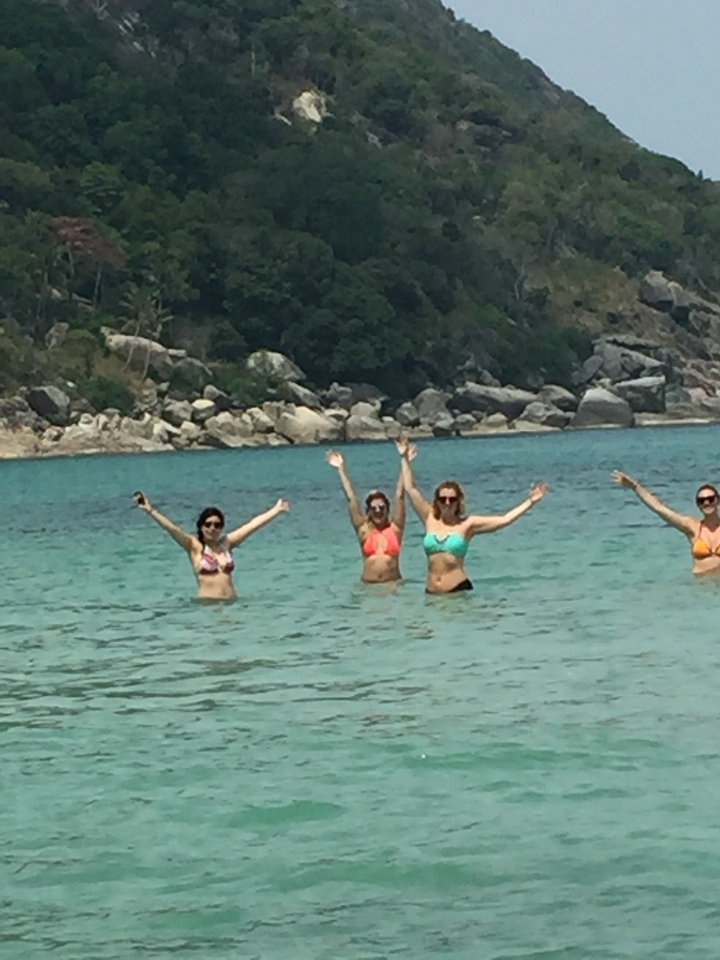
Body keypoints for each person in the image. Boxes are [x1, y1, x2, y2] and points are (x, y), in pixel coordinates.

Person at [397, 438, 548, 594]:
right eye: (442, 499)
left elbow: (505, 519)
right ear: (437, 501)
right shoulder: (429, 517)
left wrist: (530, 502)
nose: (447, 503)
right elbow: (410, 489)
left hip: (457, 591)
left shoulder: (467, 524)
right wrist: (404, 458)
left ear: (458, 502)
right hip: (431, 593)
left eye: (452, 499)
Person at [133, 491, 289, 599]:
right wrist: (150, 511)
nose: (212, 528)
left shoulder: (226, 543)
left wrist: (276, 510)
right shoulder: (194, 546)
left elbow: (252, 525)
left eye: (217, 525)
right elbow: (172, 529)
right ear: (201, 526)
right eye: (208, 524)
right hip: (207, 609)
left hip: (231, 604)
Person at [325, 447, 410, 583]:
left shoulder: (395, 529)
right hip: (368, 590)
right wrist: (341, 469)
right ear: (368, 511)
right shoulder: (364, 530)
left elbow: (400, 495)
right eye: (373, 508)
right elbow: (351, 498)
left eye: (381, 507)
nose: (377, 511)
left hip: (393, 589)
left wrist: (404, 460)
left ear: (388, 509)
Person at [613, 472, 720, 576]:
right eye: (701, 500)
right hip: (699, 589)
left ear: (718, 500)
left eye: (710, 499)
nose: (706, 503)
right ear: (698, 504)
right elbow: (659, 508)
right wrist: (635, 486)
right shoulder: (693, 527)